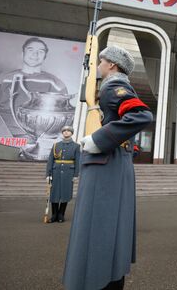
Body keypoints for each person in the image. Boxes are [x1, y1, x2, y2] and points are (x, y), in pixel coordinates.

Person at [63, 46, 153, 290]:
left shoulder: (113, 87)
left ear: (112, 65)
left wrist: (99, 139)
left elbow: (142, 115)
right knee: (109, 228)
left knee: (101, 227)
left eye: (100, 61)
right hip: (111, 163)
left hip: (107, 164)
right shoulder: (109, 87)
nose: (98, 66)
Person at [0, 37, 67, 141]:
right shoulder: (2, 79)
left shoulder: (55, 83)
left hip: (34, 144)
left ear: (45, 57)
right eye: (30, 50)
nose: (35, 54)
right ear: (22, 53)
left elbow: (62, 120)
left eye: (40, 51)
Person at [45, 125, 80, 223]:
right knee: (54, 193)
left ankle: (61, 214)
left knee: (65, 193)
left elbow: (78, 161)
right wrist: (48, 174)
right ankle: (54, 215)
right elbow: (50, 160)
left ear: (71, 133)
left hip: (69, 172)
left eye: (68, 131)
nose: (66, 132)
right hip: (55, 172)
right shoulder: (56, 145)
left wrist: (76, 175)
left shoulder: (76, 146)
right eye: (64, 131)